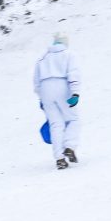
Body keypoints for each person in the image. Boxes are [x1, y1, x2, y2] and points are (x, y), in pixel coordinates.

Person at [33, 33, 81, 170]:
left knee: (56, 124)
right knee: (73, 119)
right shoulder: (69, 54)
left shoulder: (42, 58)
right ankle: (70, 147)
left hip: (45, 89)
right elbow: (74, 74)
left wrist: (41, 98)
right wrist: (75, 93)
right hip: (62, 86)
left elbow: (36, 81)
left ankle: (59, 158)